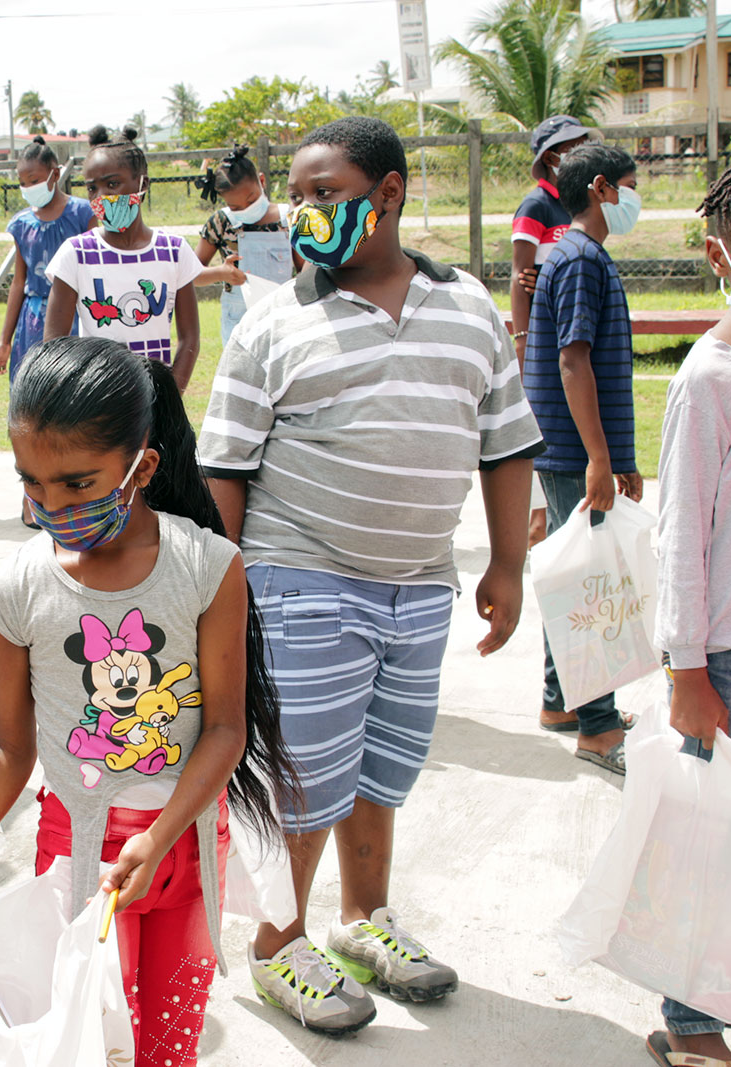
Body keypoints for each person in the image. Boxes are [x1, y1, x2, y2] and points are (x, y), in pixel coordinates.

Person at [198, 116, 544, 1033]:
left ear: (388, 195)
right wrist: (218, 604)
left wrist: (507, 562)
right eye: (299, 196)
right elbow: (224, 472)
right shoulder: (275, 322)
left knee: (383, 769)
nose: (307, 212)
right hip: (298, 573)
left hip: (421, 582)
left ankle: (363, 921)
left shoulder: (468, 308)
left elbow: (505, 446)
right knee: (306, 774)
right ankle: (279, 943)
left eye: (327, 194)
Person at [0, 337, 293, 1067]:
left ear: (142, 466)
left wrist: (161, 835)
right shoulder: (14, 589)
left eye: (79, 484)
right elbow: (9, 748)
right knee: (93, 1048)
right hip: (79, 864)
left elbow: (223, 730)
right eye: (33, 483)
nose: (51, 507)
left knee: (167, 1048)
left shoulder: (208, 568)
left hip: (187, 858)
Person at [644, 164, 731, 1067]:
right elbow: (683, 534)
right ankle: (691, 1018)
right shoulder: (711, 378)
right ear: (721, 253)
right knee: (715, 844)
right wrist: (685, 665)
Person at [524, 142, 643, 774]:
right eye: (631, 184)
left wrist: (616, 454)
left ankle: (562, 700)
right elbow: (574, 360)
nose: (635, 197)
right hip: (573, 453)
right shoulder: (578, 260)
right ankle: (597, 728)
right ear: (601, 188)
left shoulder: (578, 256)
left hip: (580, 450)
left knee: (576, 575)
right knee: (593, 588)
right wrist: (599, 458)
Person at [44, 126, 201, 391]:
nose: (101, 196)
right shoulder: (75, 254)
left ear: (143, 184)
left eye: (112, 184)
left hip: (157, 404)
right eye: (92, 188)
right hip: (98, 407)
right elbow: (54, 345)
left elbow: (190, 338)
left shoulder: (174, 250)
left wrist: (169, 402)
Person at [0, 135, 94, 382]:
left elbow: (93, 270)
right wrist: (5, 340)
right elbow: (19, 282)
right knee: (34, 391)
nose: (27, 188)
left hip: (76, 316)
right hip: (33, 322)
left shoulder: (83, 214)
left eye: (34, 181)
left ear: (54, 175)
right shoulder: (21, 224)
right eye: (22, 183)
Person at [510, 116, 594, 366]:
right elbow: (520, 275)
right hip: (543, 325)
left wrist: (549, 281)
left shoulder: (579, 204)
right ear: (550, 158)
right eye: (575, 150)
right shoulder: (536, 206)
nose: (583, 156)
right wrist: (523, 339)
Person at [193, 145, 296, 342]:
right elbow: (192, 275)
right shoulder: (221, 223)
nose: (246, 210)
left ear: (262, 181)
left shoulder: (289, 219)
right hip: (239, 320)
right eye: (235, 207)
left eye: (251, 201)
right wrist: (221, 273)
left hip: (283, 315)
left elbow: (306, 271)